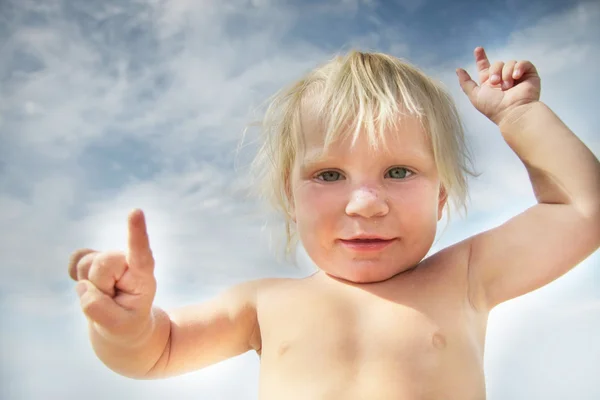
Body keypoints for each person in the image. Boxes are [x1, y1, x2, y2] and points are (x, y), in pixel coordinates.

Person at [68, 47, 600, 399]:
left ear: (441, 197)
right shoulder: (264, 302)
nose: (365, 203)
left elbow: (580, 210)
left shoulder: (465, 277)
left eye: (398, 171)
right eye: (328, 174)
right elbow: (156, 352)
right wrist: (127, 325)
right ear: (289, 197)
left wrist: (520, 116)